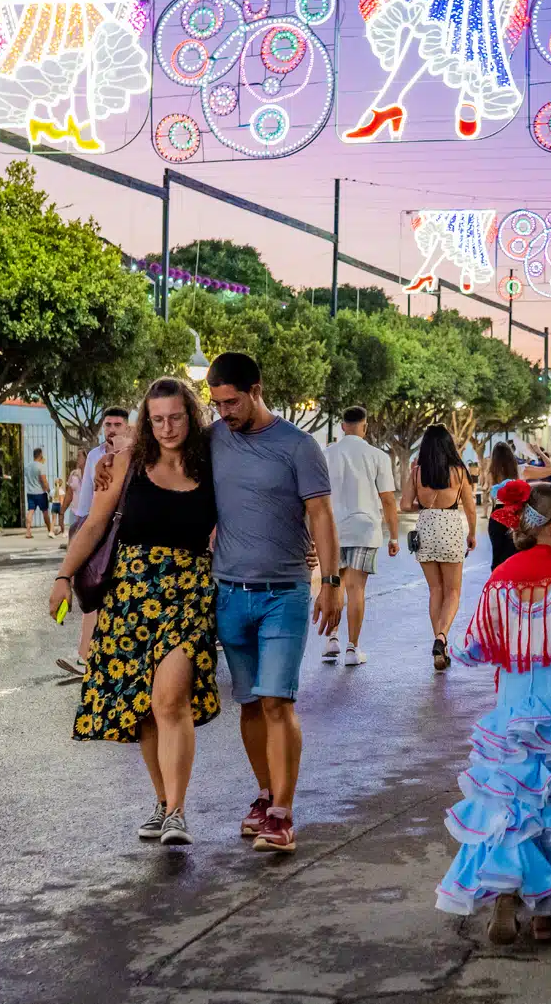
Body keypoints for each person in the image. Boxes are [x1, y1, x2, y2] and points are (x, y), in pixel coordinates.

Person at [436, 482, 551, 942]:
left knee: (512, 798)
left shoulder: (499, 578)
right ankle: (546, 913)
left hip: (512, 701)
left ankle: (506, 891)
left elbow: (474, 647)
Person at [50, 378, 220, 847]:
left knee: (171, 699)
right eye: (158, 419)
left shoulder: (211, 465)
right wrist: (63, 576)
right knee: (145, 708)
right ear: (148, 421)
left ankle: (178, 811)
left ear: (191, 417)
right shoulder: (128, 463)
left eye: (176, 417)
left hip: (189, 594)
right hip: (129, 596)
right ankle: (162, 802)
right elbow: (95, 524)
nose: (167, 428)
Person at [208, 352, 342, 854]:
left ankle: (283, 814)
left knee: (277, 701)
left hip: (284, 593)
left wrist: (331, 582)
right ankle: (264, 796)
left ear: (256, 390)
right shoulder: (214, 439)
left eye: (232, 402)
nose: (224, 412)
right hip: (228, 593)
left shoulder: (298, 445)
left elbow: (321, 515)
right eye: (217, 404)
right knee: (248, 703)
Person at [323, 406, 399, 666]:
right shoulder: (378, 456)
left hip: (334, 528)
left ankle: (332, 638)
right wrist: (394, 537)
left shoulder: (327, 454)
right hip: (365, 528)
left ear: (342, 426)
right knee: (356, 589)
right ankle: (352, 649)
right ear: (365, 427)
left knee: (335, 584)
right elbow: (387, 499)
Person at [401, 423, 476, 671]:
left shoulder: (417, 472)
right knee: (453, 591)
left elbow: (405, 505)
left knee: (435, 590)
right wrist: (472, 533)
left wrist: (423, 506)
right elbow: (469, 506)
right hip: (451, 528)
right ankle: (442, 638)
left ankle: (439, 648)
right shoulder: (459, 472)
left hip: (426, 528)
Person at [61, 409, 131, 677]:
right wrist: (77, 535)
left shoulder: (136, 454)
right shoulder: (94, 455)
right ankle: (85, 655)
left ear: (127, 427)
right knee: (92, 589)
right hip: (98, 531)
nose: (112, 429)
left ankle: (97, 656)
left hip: (126, 534)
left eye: (117, 424)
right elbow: (85, 504)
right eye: (108, 424)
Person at [485, 442, 551, 570]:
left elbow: (490, 495)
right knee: (516, 553)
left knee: (497, 557)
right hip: (516, 515)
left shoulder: (491, 473)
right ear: (511, 455)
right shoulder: (522, 470)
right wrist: (539, 452)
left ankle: (497, 580)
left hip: (497, 516)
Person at [24, 447, 50, 539]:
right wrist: (49, 490)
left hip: (30, 493)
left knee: (30, 511)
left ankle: (28, 531)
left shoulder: (27, 466)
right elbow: (43, 480)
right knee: (45, 512)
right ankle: (50, 530)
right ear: (40, 455)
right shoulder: (40, 466)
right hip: (40, 493)